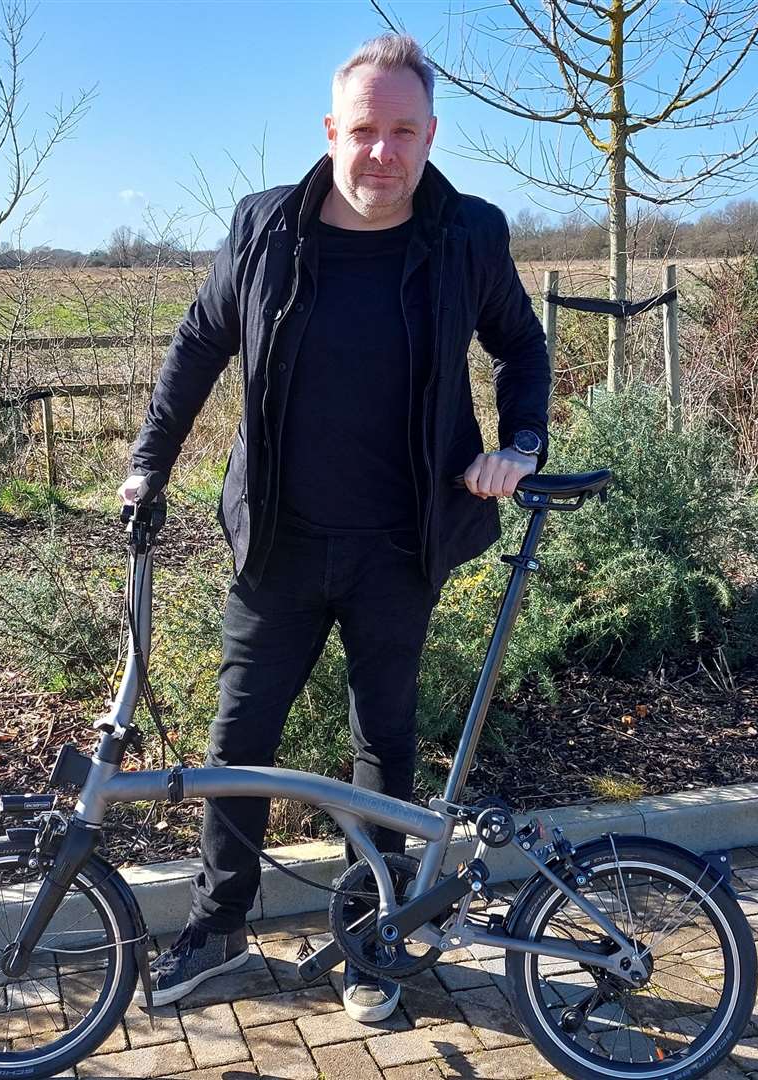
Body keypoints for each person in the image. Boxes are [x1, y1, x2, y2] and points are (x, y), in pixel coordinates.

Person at [118, 32, 550, 1022]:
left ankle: (373, 936)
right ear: (330, 131)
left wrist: (518, 446)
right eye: (363, 131)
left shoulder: (467, 234)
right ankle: (219, 929)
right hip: (277, 542)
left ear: (430, 135)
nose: (380, 154)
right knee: (236, 739)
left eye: (403, 132)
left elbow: (519, 347)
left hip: (401, 544)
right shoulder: (264, 228)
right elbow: (196, 345)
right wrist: (150, 461)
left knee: (380, 744)